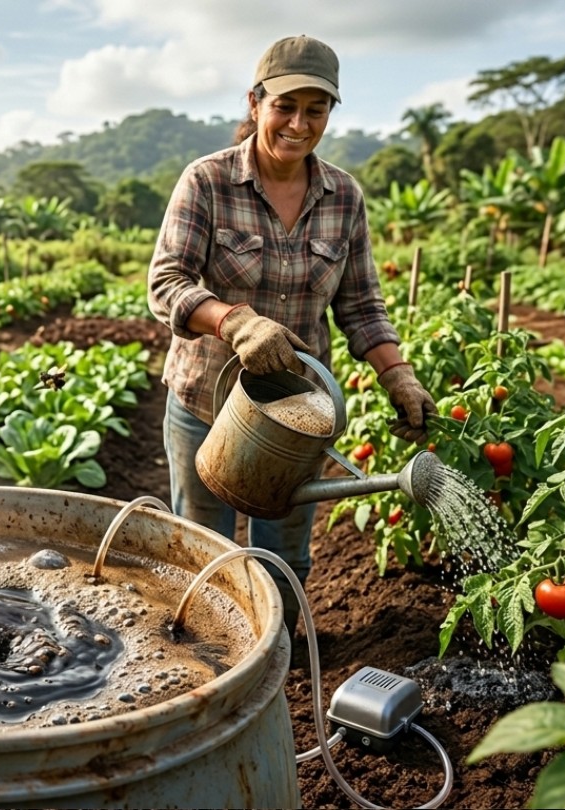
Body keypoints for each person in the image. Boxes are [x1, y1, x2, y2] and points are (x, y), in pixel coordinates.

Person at [147, 34, 437, 634]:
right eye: (285, 106)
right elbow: (167, 283)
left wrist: (397, 374)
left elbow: (361, 305)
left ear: (330, 113)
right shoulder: (206, 182)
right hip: (208, 402)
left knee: (283, 560)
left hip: (297, 414)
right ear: (255, 103)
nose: (298, 123)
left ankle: (275, 659)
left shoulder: (343, 196)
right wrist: (235, 320)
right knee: (204, 553)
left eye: (316, 110)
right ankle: (210, 663)